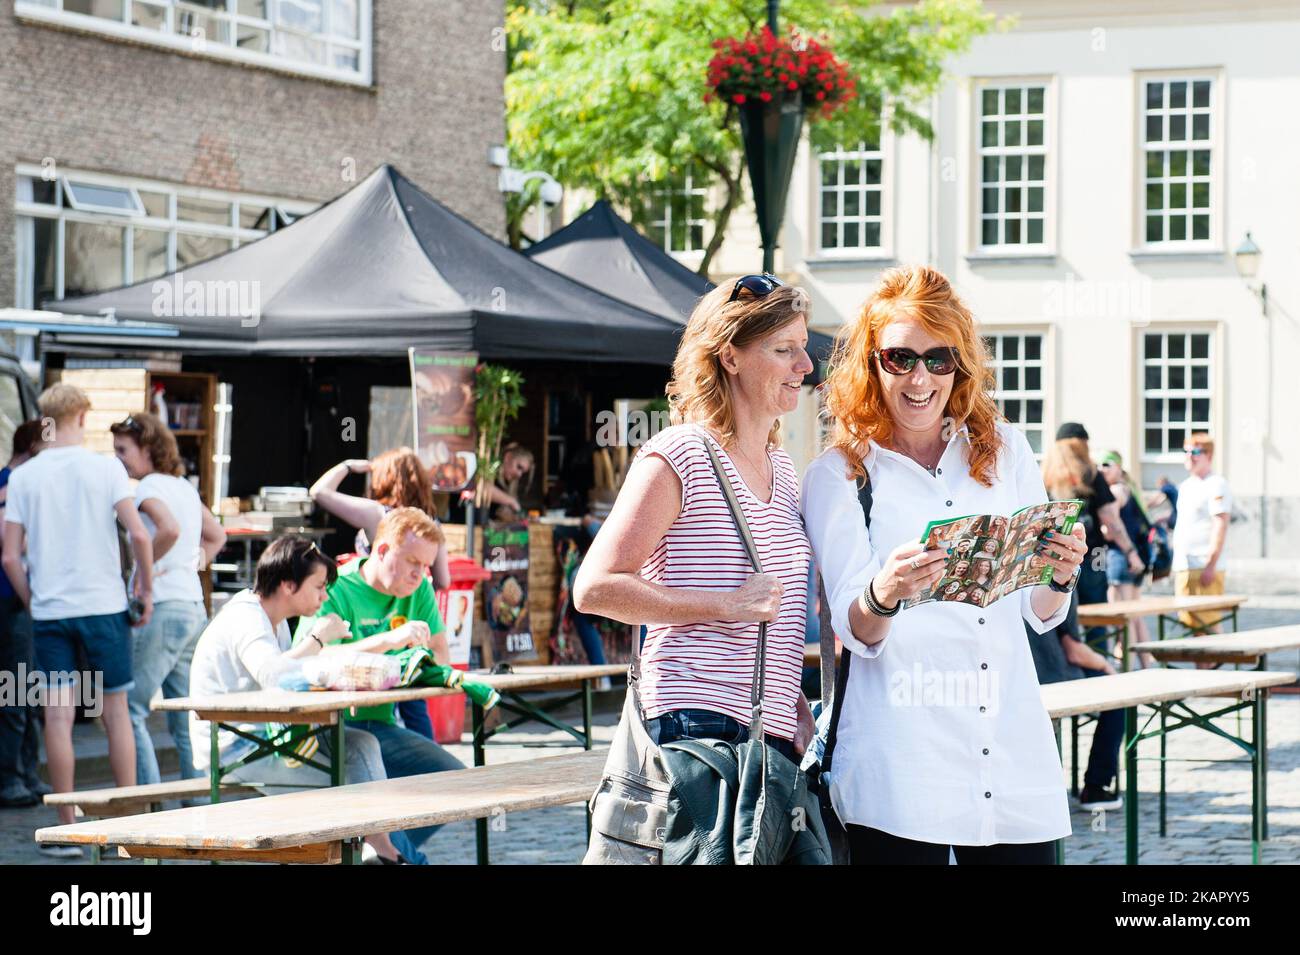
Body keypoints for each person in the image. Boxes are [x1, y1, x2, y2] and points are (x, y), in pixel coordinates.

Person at [803, 265, 1087, 864]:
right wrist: (886, 591)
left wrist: (1059, 573)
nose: (919, 378)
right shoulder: (839, 476)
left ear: (960, 366)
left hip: (1010, 749)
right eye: (899, 358)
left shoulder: (1006, 450)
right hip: (902, 761)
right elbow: (855, 630)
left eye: (939, 359)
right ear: (870, 363)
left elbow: (1040, 613)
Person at [574, 272, 819, 845]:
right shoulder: (679, 453)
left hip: (768, 735)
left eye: (803, 348)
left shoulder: (782, 468)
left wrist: (793, 702)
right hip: (696, 732)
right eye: (784, 350)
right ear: (730, 356)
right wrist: (722, 607)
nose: (805, 366)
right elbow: (595, 586)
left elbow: (772, 617)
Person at [2, 385, 154, 855]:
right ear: (82, 416)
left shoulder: (25, 476)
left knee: (58, 717)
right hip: (104, 606)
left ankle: (65, 827)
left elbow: (9, 556)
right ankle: (127, 826)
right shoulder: (104, 467)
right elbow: (140, 536)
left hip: (51, 611)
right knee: (117, 717)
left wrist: (34, 602)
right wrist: (144, 589)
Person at [188, 536, 407, 863]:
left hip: (268, 738)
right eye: (318, 586)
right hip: (236, 748)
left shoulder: (274, 623)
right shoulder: (246, 617)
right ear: (289, 585)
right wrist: (319, 638)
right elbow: (275, 676)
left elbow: (288, 676)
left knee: (362, 744)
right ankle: (382, 854)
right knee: (346, 793)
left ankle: (378, 850)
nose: (324, 595)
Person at [292, 507, 464, 865]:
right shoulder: (337, 587)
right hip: (330, 727)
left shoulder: (420, 591)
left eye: (427, 565)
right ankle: (394, 856)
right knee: (381, 790)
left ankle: (367, 850)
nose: (420, 574)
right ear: (382, 551)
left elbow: (441, 656)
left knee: (453, 780)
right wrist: (388, 641)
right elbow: (310, 661)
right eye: (412, 561)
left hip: (381, 725)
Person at [111, 413, 227, 787]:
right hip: (193, 606)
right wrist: (189, 565)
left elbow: (170, 530)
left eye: (123, 450)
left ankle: (150, 808)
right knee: (186, 719)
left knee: (130, 710)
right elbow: (216, 536)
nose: (118, 459)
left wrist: (145, 574)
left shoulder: (146, 489)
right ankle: (195, 808)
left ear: (147, 448)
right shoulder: (182, 487)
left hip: (164, 606)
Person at [310, 447, 451, 739]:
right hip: (403, 628)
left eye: (421, 565)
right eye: (413, 562)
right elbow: (445, 580)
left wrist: (349, 465)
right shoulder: (431, 522)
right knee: (415, 707)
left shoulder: (379, 513)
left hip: (398, 627)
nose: (419, 571)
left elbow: (319, 492)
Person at [1041, 424, 1140, 809]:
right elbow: (1072, 646)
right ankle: (1096, 787)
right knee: (1111, 686)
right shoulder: (1090, 476)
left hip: (1047, 654)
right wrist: (1110, 668)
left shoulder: (1044, 475)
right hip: (1057, 662)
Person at [0, 420, 49, 807]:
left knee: (27, 691)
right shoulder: (11, 484)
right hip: (14, 600)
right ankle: (11, 778)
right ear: (33, 445)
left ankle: (27, 774)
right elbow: (10, 544)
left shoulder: (21, 483)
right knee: (17, 690)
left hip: (22, 599)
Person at [1172, 432, 1232, 637]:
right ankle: (1201, 669)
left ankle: (1217, 668)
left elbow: (1220, 525)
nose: (1190, 456)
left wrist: (1211, 565)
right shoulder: (1186, 485)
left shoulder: (1216, 483)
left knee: (1209, 624)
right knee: (1192, 627)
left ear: (1209, 455)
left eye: (1196, 451)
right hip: (1184, 565)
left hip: (1203, 565)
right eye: (1186, 451)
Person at [1098, 449, 1154, 666]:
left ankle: (1128, 669)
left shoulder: (1115, 491)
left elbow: (1110, 527)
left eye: (1107, 465)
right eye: (1099, 465)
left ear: (1119, 468)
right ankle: (1146, 666)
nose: (1101, 469)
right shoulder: (1129, 488)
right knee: (1135, 615)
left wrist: (1100, 529)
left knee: (1123, 618)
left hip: (1120, 558)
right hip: (1133, 558)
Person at [484, 443, 535, 521]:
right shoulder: (494, 465)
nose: (519, 475)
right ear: (508, 457)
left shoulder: (508, 483)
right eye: (519, 467)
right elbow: (482, 487)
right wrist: (512, 502)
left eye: (523, 472)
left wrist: (521, 517)